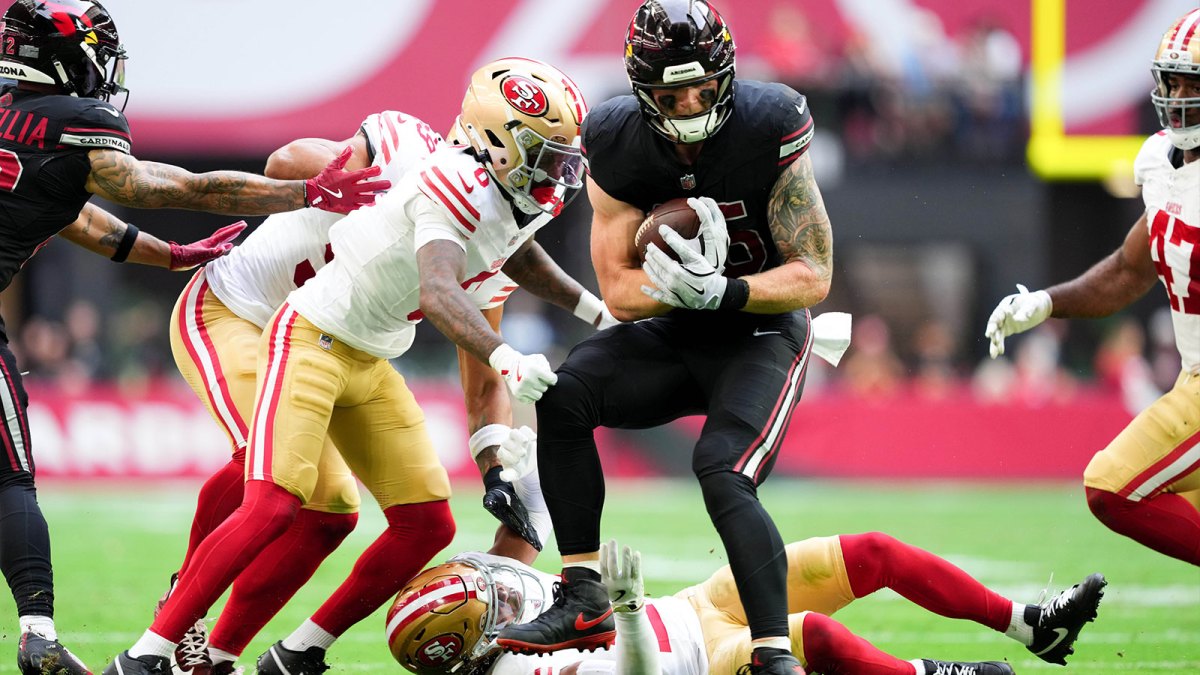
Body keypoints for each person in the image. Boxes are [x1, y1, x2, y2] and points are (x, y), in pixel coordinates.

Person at [104, 56, 594, 675]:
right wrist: (341, 176)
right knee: (278, 472)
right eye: (544, 154)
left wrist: (494, 465)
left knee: (337, 510)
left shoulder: (496, 231)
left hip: (347, 345)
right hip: (236, 309)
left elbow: (481, 378)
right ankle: (182, 612)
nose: (556, 175)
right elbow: (282, 163)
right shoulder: (406, 150)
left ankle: (224, 655)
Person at [0, 0, 385, 672]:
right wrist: (304, 195)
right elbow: (172, 184)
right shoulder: (78, 121)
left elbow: (73, 216)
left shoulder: (20, 121)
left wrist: (169, 255)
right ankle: (37, 633)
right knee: (11, 480)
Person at [497, 3, 830, 673]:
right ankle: (583, 594)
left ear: (728, 76)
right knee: (565, 396)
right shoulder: (616, 140)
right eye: (671, 93)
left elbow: (814, 273)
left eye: (704, 88)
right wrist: (687, 292)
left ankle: (773, 654)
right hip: (680, 328)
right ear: (640, 89)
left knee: (722, 470)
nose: (689, 104)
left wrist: (729, 291)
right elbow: (618, 290)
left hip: (761, 331)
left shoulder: (772, 123)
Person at [984, 8, 1200, 567]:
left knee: (1112, 484)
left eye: (1191, 84)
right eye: (1170, 80)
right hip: (1190, 379)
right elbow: (1132, 268)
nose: (1177, 96)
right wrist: (1047, 303)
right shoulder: (1158, 159)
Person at [389, 530, 1106, 675]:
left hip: (699, 602)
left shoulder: (497, 621)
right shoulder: (521, 672)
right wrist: (631, 609)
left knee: (872, 553)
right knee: (814, 638)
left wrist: (512, 454)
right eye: (496, 606)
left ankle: (1030, 625)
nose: (513, 591)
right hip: (702, 660)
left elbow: (519, 540)